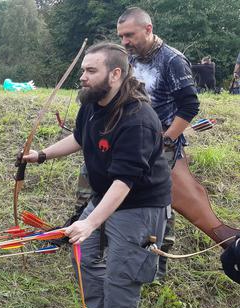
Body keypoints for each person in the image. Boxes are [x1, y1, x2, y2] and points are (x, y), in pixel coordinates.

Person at [23, 42, 171, 308]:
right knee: (86, 257)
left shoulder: (139, 119)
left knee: (122, 275)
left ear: (115, 74)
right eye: (83, 71)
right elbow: (79, 139)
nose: (84, 78)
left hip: (139, 206)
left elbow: (125, 183)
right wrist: (41, 155)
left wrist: (89, 223)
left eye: (91, 71)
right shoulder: (92, 105)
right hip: (105, 198)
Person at [72, 7, 239, 281]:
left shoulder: (172, 60)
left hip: (159, 141)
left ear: (148, 29)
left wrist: (167, 139)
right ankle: (95, 245)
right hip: (122, 138)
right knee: (100, 189)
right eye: (121, 36)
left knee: (160, 204)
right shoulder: (128, 59)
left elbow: (189, 105)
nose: (124, 41)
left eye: (129, 35)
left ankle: (155, 266)